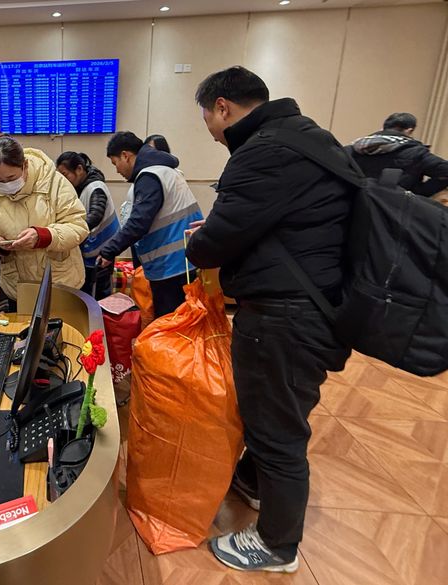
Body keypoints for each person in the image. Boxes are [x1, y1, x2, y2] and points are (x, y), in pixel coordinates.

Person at [185, 66, 356, 573]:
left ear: (222, 107)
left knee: (277, 430)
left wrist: (201, 238)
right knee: (278, 414)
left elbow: (214, 244)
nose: (210, 131)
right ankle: (255, 483)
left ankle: (277, 545)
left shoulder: (261, 153)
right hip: (318, 308)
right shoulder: (309, 138)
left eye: (207, 118)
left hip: (283, 318)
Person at [98, 131, 203, 317]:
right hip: (183, 261)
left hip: (171, 266)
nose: (117, 170)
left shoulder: (150, 176)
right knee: (179, 321)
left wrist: (109, 250)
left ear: (125, 155)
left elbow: (139, 222)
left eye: (115, 163)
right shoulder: (164, 171)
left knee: (169, 323)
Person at [0, 136, 89, 303]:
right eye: (0, 180)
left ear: (25, 165)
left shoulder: (54, 183)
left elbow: (78, 226)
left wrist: (44, 236)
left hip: (59, 282)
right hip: (17, 286)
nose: (6, 185)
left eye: (11, 178)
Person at [56, 151, 119, 299]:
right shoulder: (82, 188)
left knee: (95, 297)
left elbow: (96, 215)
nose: (64, 180)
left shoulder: (95, 187)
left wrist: (71, 231)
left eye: (65, 175)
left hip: (100, 251)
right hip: (95, 251)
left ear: (79, 169)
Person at [346, 112, 448, 196]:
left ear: (384, 128)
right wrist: (419, 193)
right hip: (395, 209)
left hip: (353, 206)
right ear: (409, 131)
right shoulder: (415, 152)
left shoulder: (353, 148)